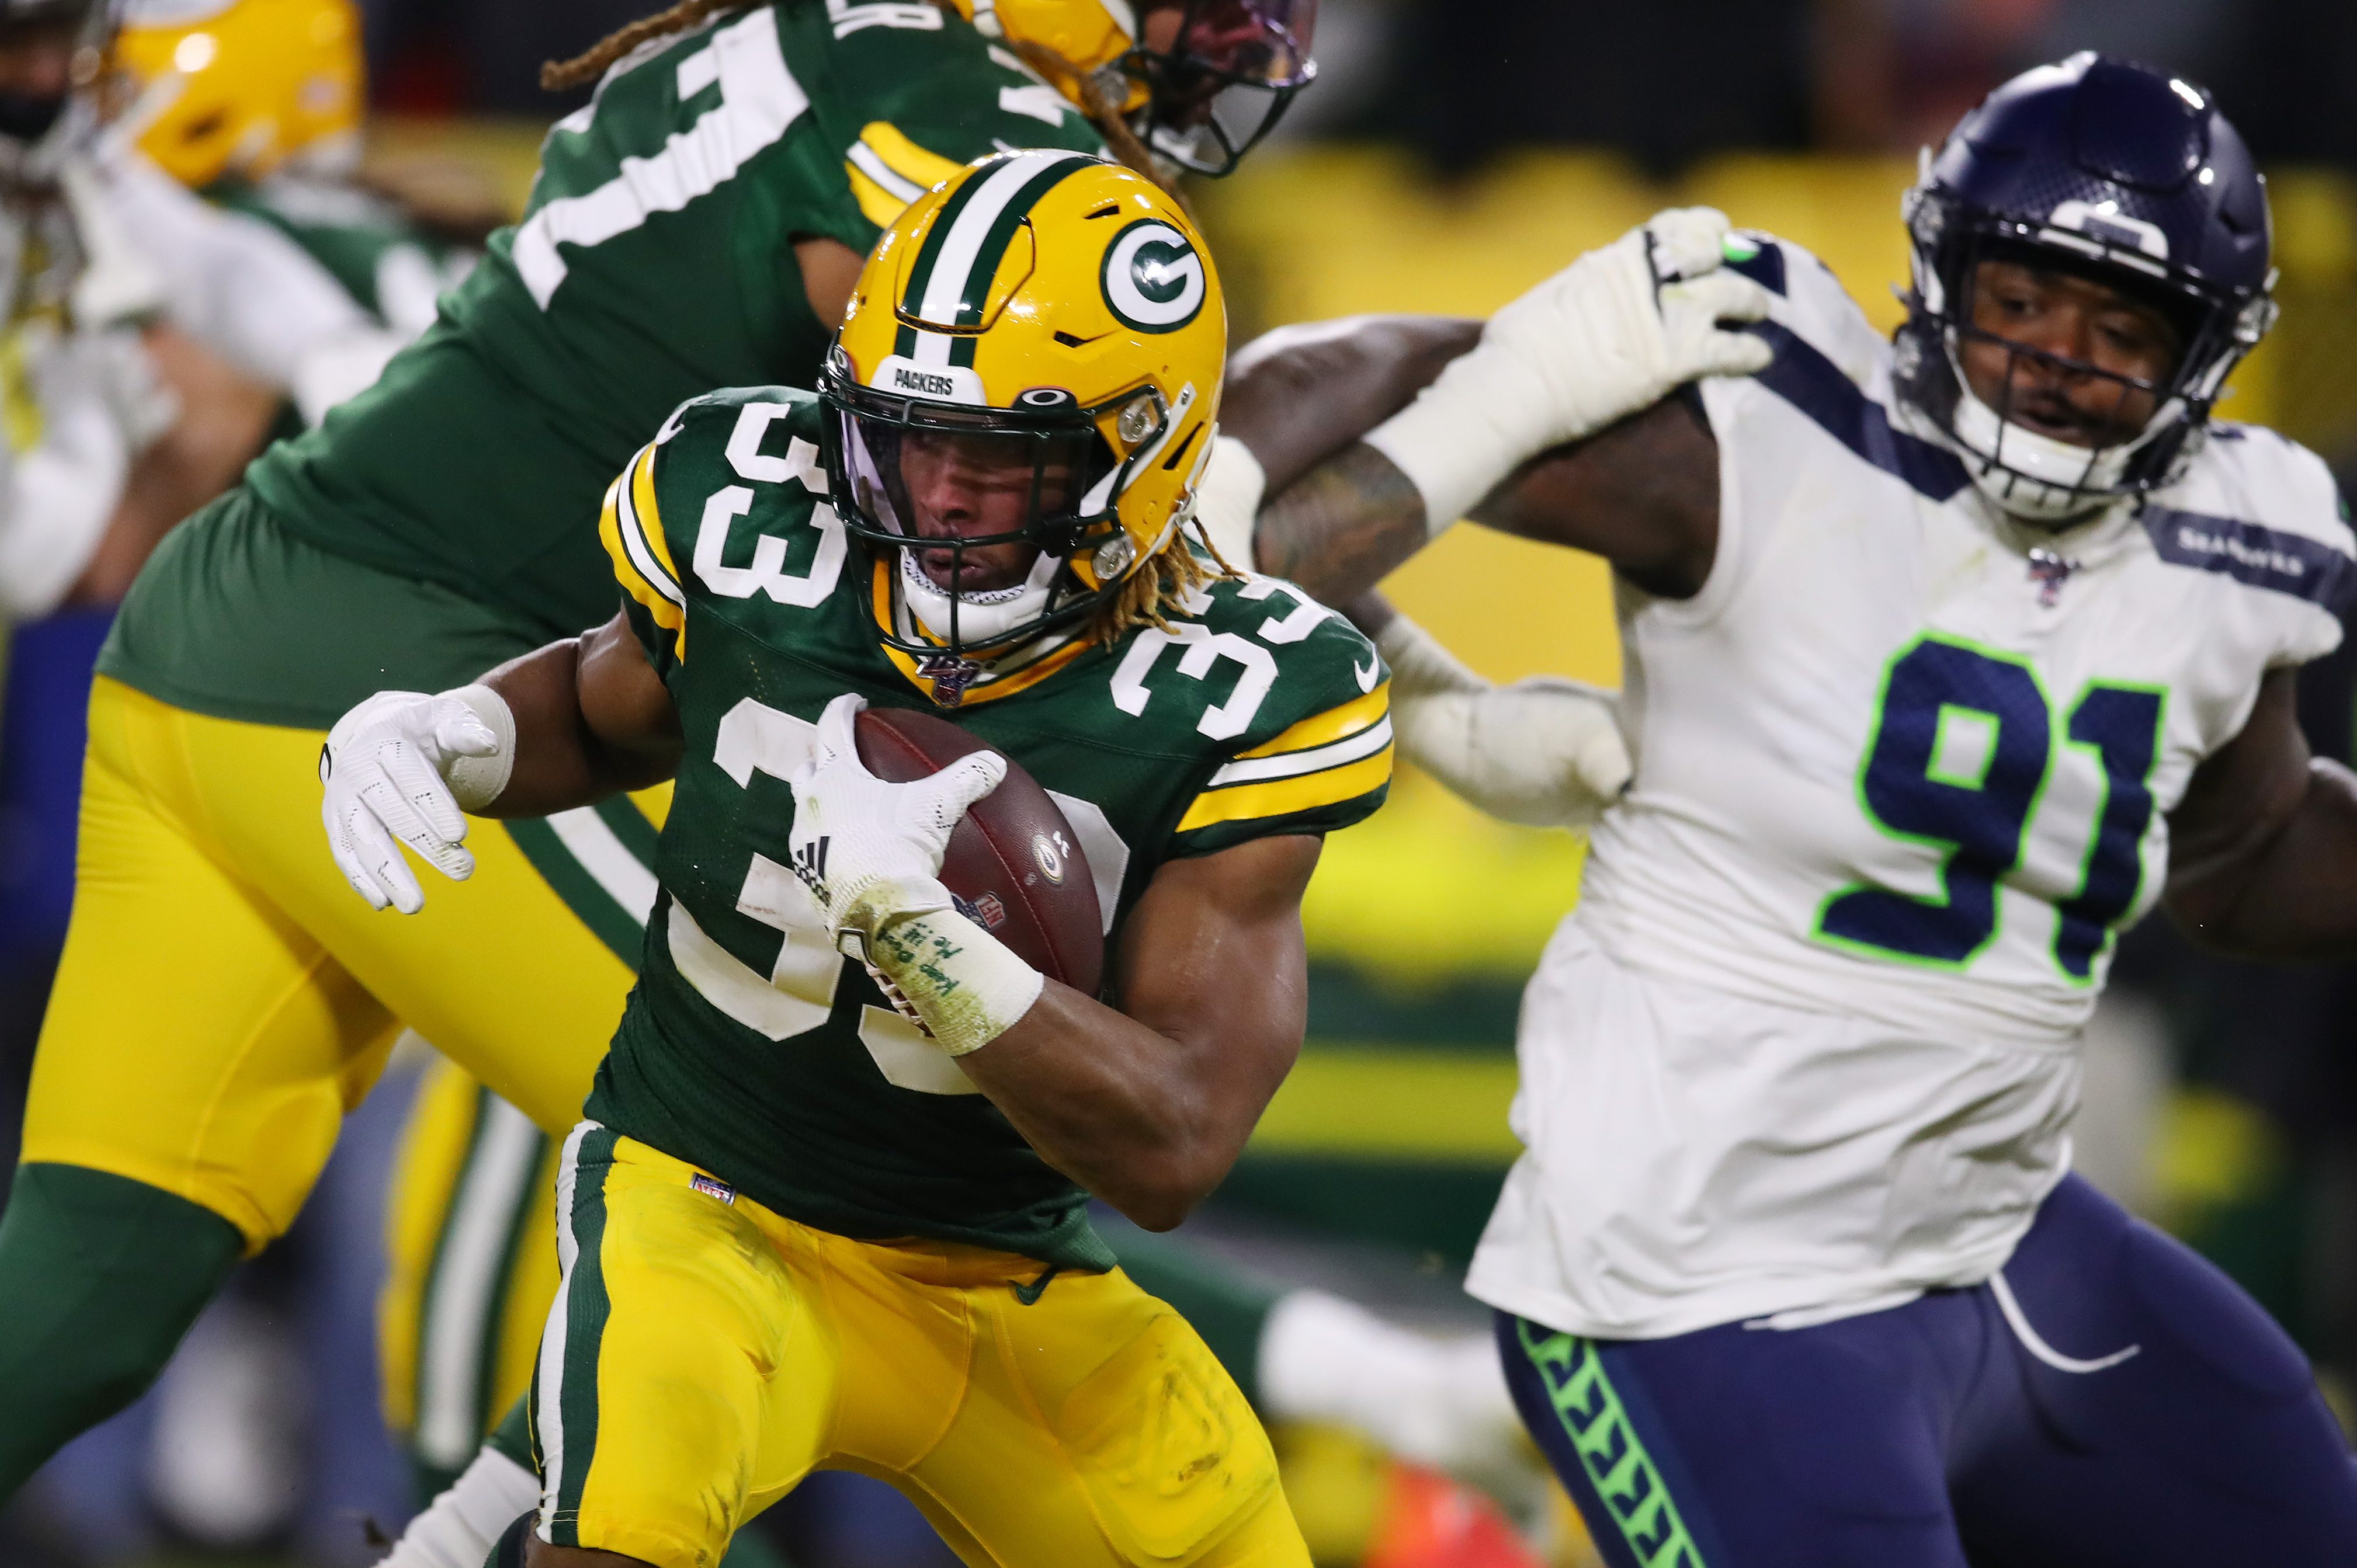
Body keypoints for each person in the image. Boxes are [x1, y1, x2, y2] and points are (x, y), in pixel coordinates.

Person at [1247, 52, 2357, 1565]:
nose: (2052, 358)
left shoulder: (2237, 539)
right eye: (2021, 299)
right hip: (1687, 1285)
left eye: (2118, 328)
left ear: (2203, 359)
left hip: (1998, 1241)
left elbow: (2245, 858)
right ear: (1939, 269)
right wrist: (1403, 604)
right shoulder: (1763, 437)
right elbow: (1326, 393)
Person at [324, 149, 1385, 1567]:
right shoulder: (754, 506)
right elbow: (600, 703)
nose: (937, 496)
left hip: (1002, 1269)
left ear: (1142, 448)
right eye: (904, 435)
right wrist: (450, 730)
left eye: (1001, 455)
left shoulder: (1244, 688)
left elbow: (1174, 1141)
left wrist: (914, 927)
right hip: (705, 1205)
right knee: (617, 1529)